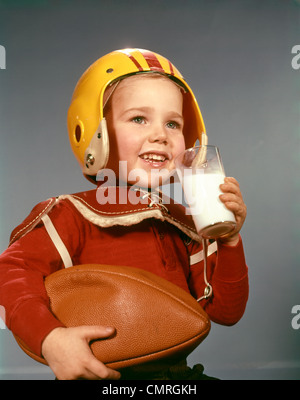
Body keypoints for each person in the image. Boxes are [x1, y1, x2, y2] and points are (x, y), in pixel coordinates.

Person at [0, 48, 248, 380]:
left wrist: (229, 240)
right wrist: (50, 338)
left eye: (173, 123)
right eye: (138, 118)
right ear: (95, 130)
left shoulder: (184, 223)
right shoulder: (70, 214)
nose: (161, 134)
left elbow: (226, 312)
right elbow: (9, 276)